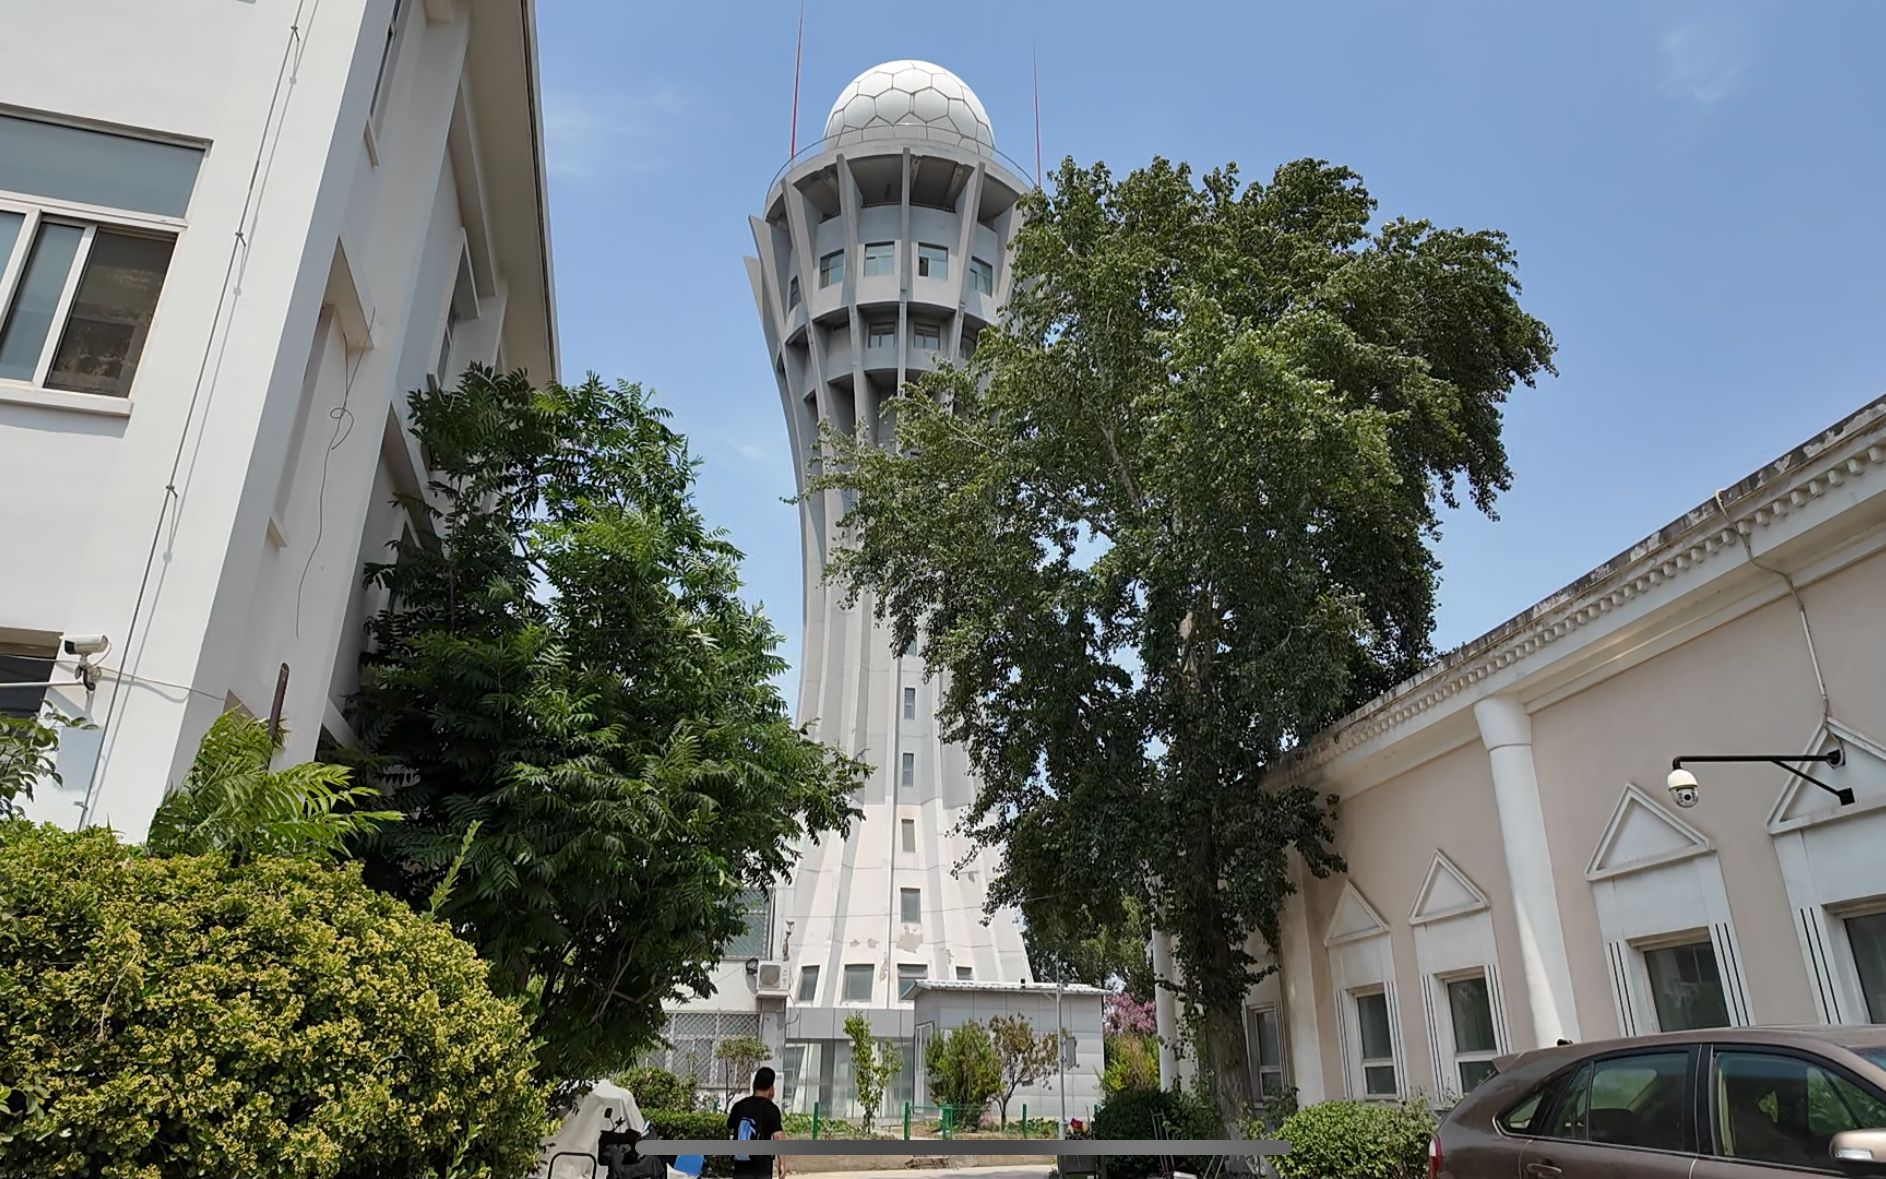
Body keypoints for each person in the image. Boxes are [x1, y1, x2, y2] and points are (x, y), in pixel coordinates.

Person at [727, 1066, 786, 1179]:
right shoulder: (771, 1109)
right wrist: (782, 1164)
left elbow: (730, 1126)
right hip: (761, 1167)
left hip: (741, 1165)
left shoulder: (739, 1106)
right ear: (771, 1088)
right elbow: (778, 1137)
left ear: (754, 1085)